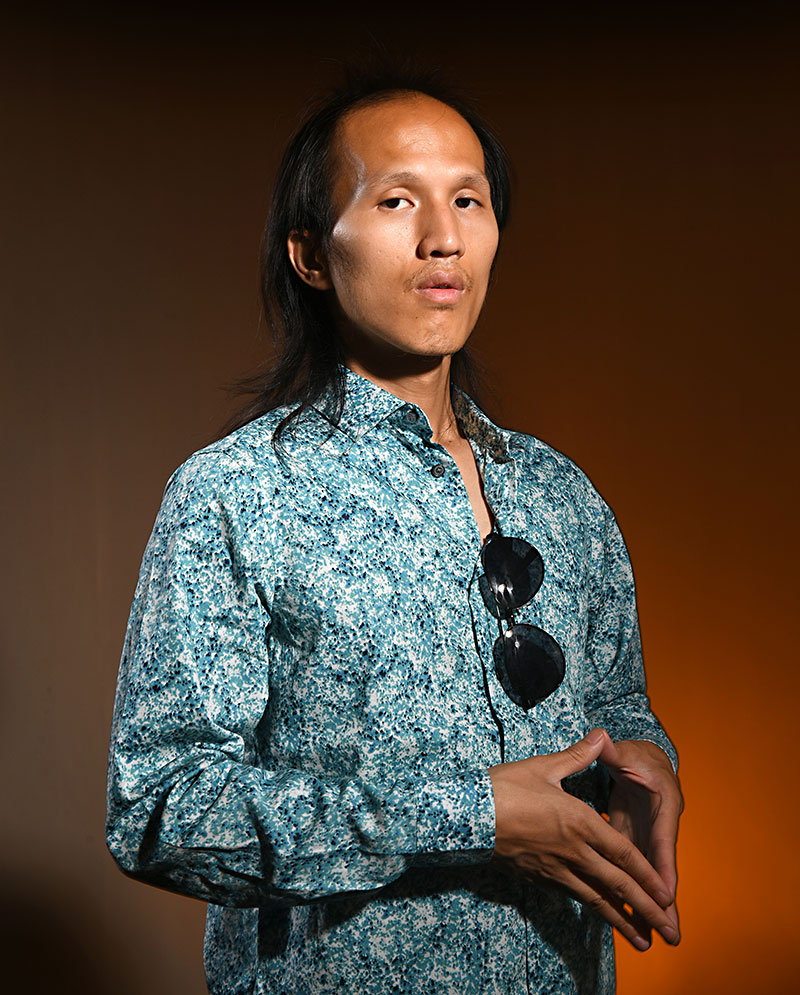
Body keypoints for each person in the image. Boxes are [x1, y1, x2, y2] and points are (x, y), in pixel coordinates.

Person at [106, 68, 682, 995]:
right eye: (397, 200)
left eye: (468, 199)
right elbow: (160, 808)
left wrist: (646, 760)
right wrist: (466, 815)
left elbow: (617, 701)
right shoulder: (238, 492)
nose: (442, 236)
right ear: (311, 254)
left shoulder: (562, 492)